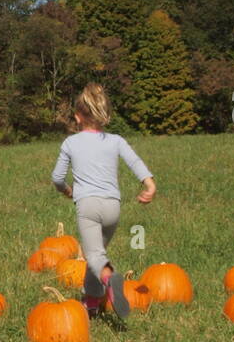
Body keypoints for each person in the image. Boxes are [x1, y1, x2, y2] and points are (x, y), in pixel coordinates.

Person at [51, 84, 156, 320]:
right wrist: (149, 184)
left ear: (78, 116)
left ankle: (110, 277)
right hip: (112, 207)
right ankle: (91, 303)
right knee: (95, 254)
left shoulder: (70, 143)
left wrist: (67, 190)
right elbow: (135, 161)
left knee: (96, 257)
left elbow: (57, 177)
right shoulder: (116, 140)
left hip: (88, 206)